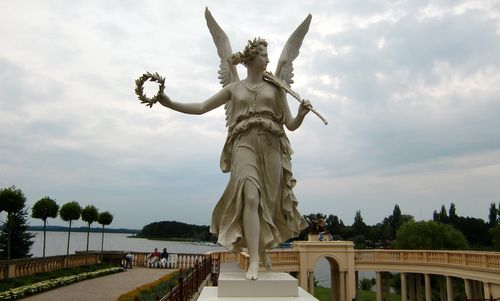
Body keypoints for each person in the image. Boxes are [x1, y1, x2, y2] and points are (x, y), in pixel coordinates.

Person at [158, 38, 309, 280]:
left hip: (271, 146)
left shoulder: (276, 86)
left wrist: (301, 114)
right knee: (250, 196)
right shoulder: (235, 88)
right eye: (263, 55)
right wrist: (170, 103)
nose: (268, 60)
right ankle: (254, 259)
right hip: (243, 144)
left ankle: (262, 247)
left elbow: (290, 125)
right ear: (252, 59)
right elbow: (201, 107)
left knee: (267, 203)